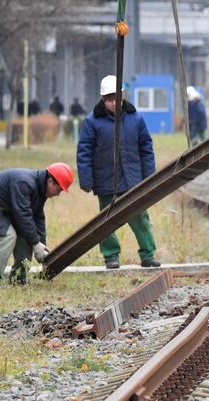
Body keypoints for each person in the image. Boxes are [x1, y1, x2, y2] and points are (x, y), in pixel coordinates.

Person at [77, 75, 160, 270]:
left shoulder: (135, 118)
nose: (114, 102)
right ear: (103, 99)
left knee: (140, 219)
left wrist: (149, 177)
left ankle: (148, 255)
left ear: (122, 95)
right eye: (109, 98)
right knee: (106, 223)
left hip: (133, 181)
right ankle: (110, 257)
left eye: (117, 97)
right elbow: (84, 151)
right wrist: (86, 180)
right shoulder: (92, 122)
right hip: (106, 181)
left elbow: (146, 147)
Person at [0, 163, 73, 289]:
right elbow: (23, 215)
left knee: (27, 237)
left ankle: (18, 279)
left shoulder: (41, 189)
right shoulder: (24, 182)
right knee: (7, 236)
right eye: (59, 190)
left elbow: (38, 218)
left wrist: (42, 248)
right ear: (50, 181)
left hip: (5, 208)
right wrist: (36, 243)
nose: (58, 194)